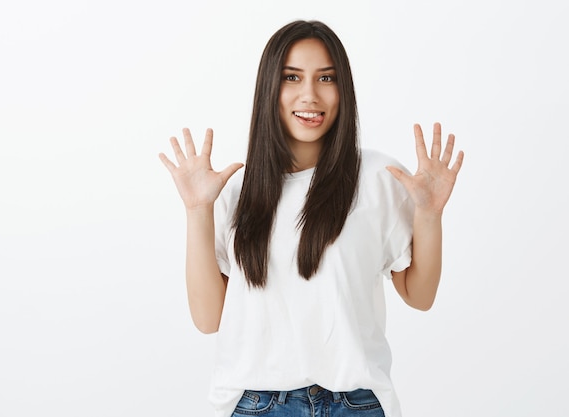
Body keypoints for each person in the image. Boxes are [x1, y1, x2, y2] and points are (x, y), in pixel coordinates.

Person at [159, 19, 463, 417]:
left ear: (343, 90)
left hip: (356, 403)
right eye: (291, 77)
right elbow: (207, 319)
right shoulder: (233, 189)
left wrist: (429, 214)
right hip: (258, 405)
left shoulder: (377, 178)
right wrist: (198, 210)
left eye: (326, 78)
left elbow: (419, 296)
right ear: (270, 88)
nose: (309, 95)